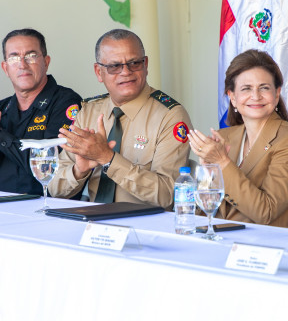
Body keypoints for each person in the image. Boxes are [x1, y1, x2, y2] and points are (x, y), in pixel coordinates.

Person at [49, 29, 191, 208]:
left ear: (145, 64)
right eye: (114, 66)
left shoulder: (170, 116)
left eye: (134, 63)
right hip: (93, 219)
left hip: (144, 221)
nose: (126, 72)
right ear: (98, 72)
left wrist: (109, 159)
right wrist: (79, 171)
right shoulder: (89, 112)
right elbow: (53, 188)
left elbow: (168, 195)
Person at [188, 49, 288, 227]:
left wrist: (222, 162)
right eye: (246, 88)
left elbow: (266, 212)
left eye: (264, 88)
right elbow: (201, 210)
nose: (256, 96)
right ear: (232, 97)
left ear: (276, 94)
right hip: (214, 234)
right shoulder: (224, 136)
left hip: (260, 239)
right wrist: (207, 173)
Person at [0, 28, 82, 195]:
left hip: (47, 206)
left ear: (46, 62)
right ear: (5, 68)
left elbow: (48, 168)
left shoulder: (67, 103)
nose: (22, 64)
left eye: (31, 56)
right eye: (14, 58)